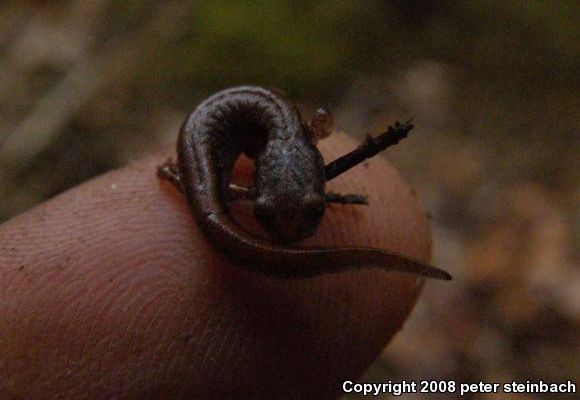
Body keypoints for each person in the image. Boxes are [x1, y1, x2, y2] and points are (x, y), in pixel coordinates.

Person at [0, 134, 431, 399]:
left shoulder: (279, 144)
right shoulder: (292, 139)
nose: (287, 237)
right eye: (265, 215)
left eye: (315, 209)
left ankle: (198, 184)